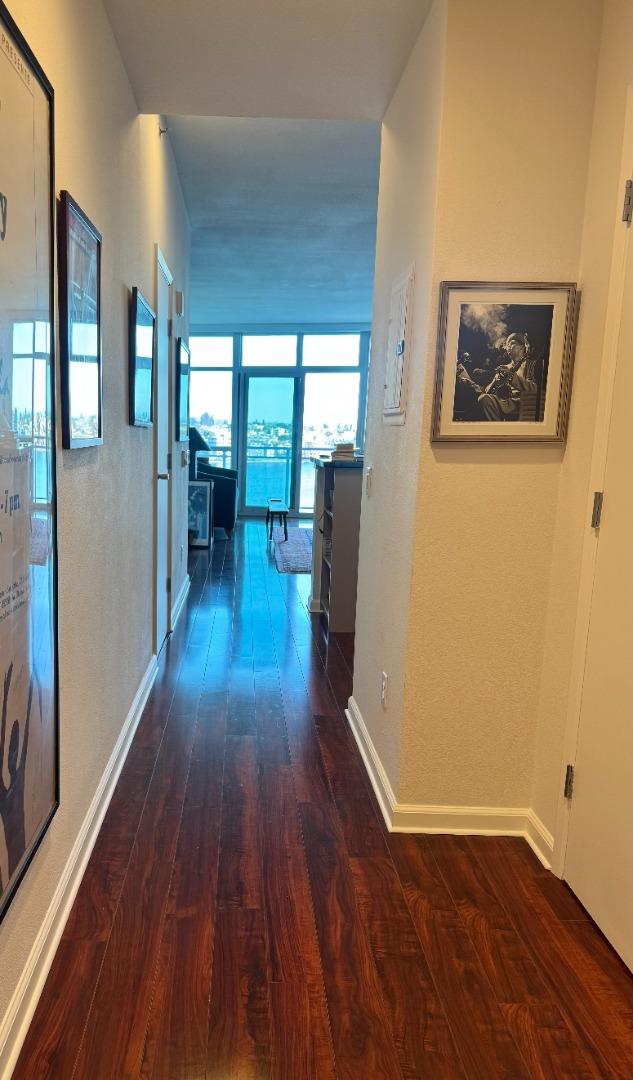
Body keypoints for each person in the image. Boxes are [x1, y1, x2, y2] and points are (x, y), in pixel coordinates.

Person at [477, 331, 539, 421]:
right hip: (505, 402)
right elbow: (487, 392)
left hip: (522, 402)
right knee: (484, 398)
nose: (508, 347)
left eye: (512, 344)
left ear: (522, 347)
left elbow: (535, 388)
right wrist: (495, 381)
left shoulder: (532, 365)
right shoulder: (505, 368)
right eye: (507, 345)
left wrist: (512, 377)